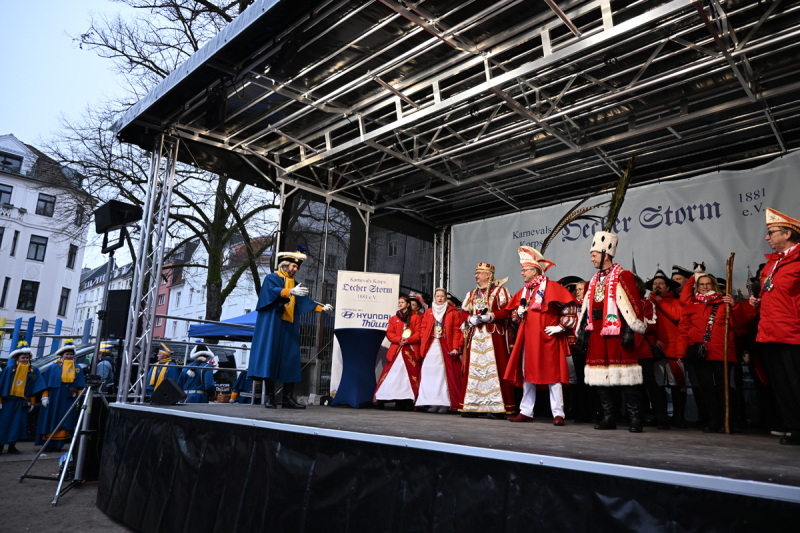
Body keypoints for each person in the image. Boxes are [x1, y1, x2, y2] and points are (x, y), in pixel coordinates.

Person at [577, 231, 647, 432]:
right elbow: (587, 307)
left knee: (626, 376)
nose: (591, 259)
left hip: (617, 330)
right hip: (598, 331)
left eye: (594, 255)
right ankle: (609, 417)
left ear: (605, 255)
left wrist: (630, 330)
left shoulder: (623, 275)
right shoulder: (594, 279)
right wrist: (582, 329)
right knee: (600, 377)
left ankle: (635, 418)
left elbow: (633, 304)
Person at [248, 246, 333, 409]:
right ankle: (270, 397)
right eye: (294, 266)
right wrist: (289, 292)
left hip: (288, 325)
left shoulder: (293, 283)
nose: (296, 269)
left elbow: (304, 301)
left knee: (290, 359)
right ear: (285, 264)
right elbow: (271, 292)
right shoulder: (272, 278)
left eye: (297, 267)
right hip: (273, 324)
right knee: (271, 357)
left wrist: (322, 308)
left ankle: (287, 398)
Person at [505, 247, 576, 425]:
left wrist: (561, 326)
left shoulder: (552, 287)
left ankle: (558, 413)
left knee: (553, 376)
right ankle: (526, 411)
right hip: (529, 340)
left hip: (549, 338)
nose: (521, 273)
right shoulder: (524, 292)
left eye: (524, 269)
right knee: (527, 375)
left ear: (535, 271)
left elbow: (569, 308)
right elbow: (513, 314)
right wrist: (518, 314)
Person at [749, 208, 800, 445]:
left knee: (795, 382)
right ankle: (794, 427)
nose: (767, 237)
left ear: (787, 233)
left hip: (793, 333)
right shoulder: (771, 264)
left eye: (772, 232)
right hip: (770, 332)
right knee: (781, 384)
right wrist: (759, 301)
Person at [677, 273, 747, 433]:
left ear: (714, 286)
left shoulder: (725, 304)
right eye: (701, 284)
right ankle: (712, 421)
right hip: (700, 353)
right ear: (697, 287)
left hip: (722, 352)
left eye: (708, 283)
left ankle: (727, 421)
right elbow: (683, 331)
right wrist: (680, 353)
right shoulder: (691, 305)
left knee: (724, 389)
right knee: (706, 389)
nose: (704, 286)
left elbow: (740, 325)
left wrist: (735, 306)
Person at [460, 262, 515, 418]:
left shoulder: (501, 291)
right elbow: (464, 312)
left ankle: (496, 407)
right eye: (476, 273)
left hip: (493, 335)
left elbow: (508, 311)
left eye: (479, 273)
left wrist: (492, 316)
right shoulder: (472, 294)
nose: (476, 276)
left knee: (493, 369)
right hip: (477, 336)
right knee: (475, 369)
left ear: (488, 275)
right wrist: (470, 319)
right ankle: (473, 405)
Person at [647, 268, 687, 427]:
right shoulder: (648, 304)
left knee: (677, 385)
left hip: (674, 351)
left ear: (668, 287)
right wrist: (653, 341)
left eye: (661, 283)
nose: (657, 286)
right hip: (656, 352)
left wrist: (660, 301)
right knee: (658, 385)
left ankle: (678, 417)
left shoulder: (676, 302)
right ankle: (661, 417)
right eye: (654, 284)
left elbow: (677, 316)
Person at [416, 288, 464, 413]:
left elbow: (457, 331)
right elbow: (423, 327)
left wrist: (455, 347)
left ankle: (444, 403)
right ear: (434, 297)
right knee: (429, 372)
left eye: (442, 296)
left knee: (443, 374)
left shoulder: (453, 312)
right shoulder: (429, 311)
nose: (440, 298)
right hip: (431, 345)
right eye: (437, 296)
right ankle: (431, 401)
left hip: (445, 345)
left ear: (445, 298)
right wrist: (424, 338)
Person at [35, 339, 86, 450]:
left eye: (71, 354)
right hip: (54, 397)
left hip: (68, 399)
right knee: (50, 418)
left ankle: (59, 445)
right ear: (62, 355)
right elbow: (46, 383)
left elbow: (80, 385)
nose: (69, 356)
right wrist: (45, 396)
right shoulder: (53, 367)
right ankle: (47, 444)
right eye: (67, 354)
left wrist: (79, 399)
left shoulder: (77, 368)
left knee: (65, 419)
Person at [375, 295, 421, 410]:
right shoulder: (393, 319)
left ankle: (409, 400)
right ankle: (396, 399)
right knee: (394, 376)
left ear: (408, 304)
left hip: (410, 350)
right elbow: (389, 333)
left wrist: (408, 340)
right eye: (399, 302)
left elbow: (419, 333)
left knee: (408, 376)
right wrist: (399, 339)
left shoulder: (415, 317)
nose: (400, 304)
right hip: (397, 350)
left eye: (402, 302)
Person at [0, 342, 46, 454]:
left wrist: (32, 402)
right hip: (8, 402)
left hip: (22, 402)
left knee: (18, 424)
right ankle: (0, 445)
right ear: (17, 358)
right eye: (23, 358)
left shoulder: (33, 370)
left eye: (27, 358)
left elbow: (36, 387)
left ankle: (12, 446)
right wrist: (0, 401)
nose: (25, 360)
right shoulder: (9, 369)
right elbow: (1, 385)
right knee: (4, 423)